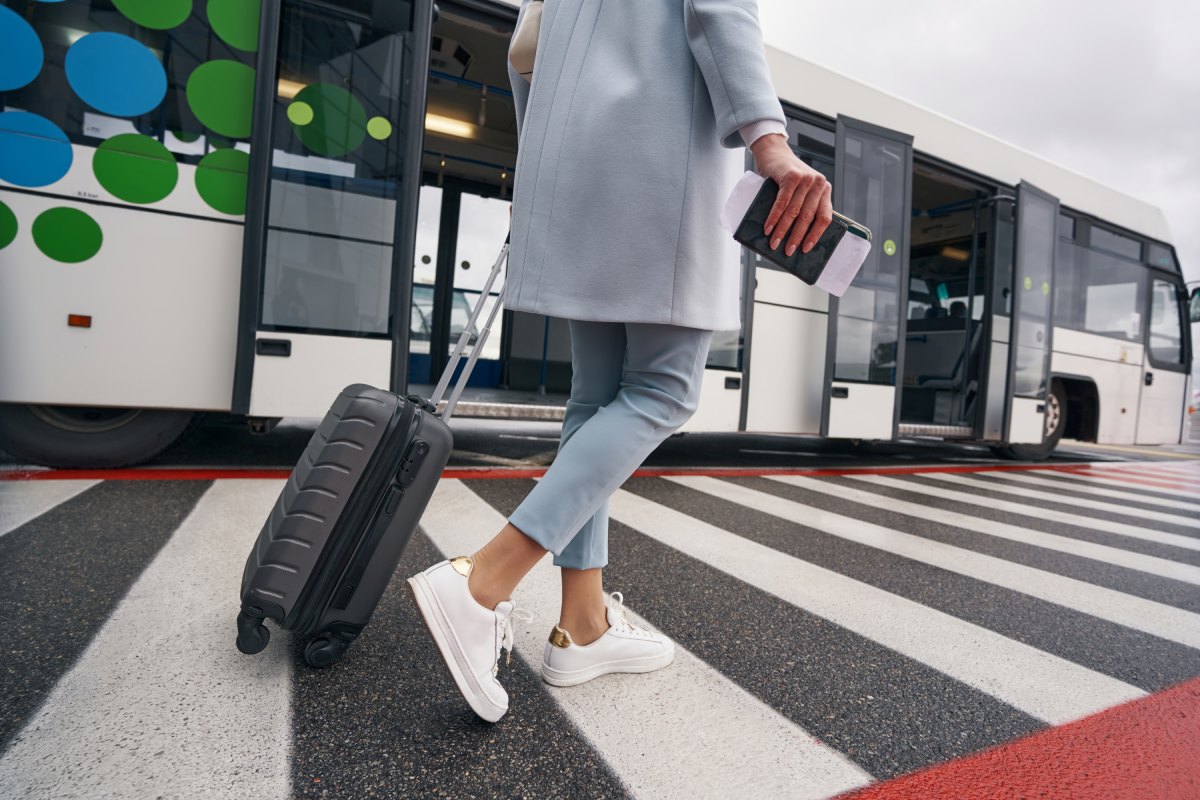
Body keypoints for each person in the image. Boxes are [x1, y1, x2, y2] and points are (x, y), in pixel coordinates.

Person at [407, 0, 833, 723]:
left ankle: (585, 626)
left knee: (597, 398)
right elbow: (719, 10)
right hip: (657, 162)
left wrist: (541, 173)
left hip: (579, 167)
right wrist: (770, 144)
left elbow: (527, 48)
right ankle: (482, 581)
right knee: (663, 392)